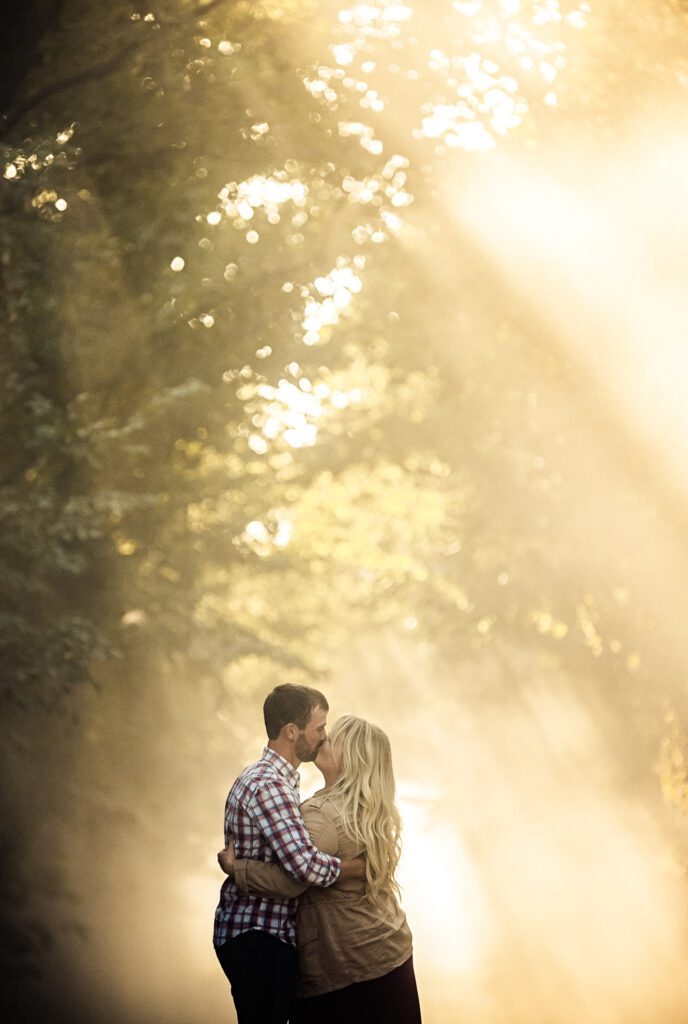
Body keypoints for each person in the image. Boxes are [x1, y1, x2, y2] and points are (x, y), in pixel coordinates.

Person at [219, 714, 422, 1024]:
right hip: (392, 953)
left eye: (334, 738)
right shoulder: (375, 811)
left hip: (343, 971)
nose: (324, 739)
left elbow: (294, 878)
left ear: (353, 758)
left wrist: (238, 869)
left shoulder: (322, 815)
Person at [213, 684, 366, 1024]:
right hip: (257, 935)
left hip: (263, 936)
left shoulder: (277, 780)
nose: (324, 738)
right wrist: (357, 869)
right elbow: (305, 866)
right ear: (291, 732)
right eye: (319, 729)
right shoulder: (270, 784)